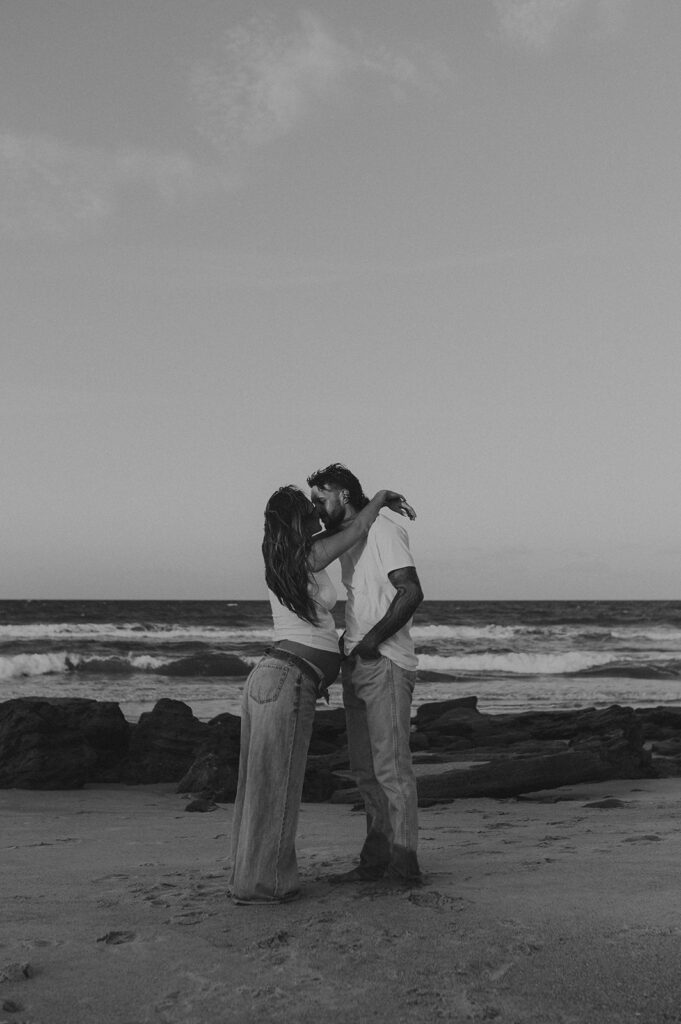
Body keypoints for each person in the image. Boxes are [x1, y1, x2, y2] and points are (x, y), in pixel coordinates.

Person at [230, 483, 415, 905]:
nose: (316, 514)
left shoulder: (283, 555)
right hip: (287, 679)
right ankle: (269, 884)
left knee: (257, 786)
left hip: (276, 676)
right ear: (295, 521)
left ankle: (248, 880)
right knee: (278, 789)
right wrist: (381, 496)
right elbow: (359, 526)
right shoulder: (307, 556)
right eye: (308, 510)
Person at [307, 463, 424, 886]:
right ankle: (376, 861)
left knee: (392, 770)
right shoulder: (351, 537)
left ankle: (404, 865)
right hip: (357, 663)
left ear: (341, 493)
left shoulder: (385, 532)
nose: (316, 509)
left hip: (386, 662)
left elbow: (411, 591)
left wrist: (372, 641)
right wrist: (348, 648)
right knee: (364, 770)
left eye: (321, 499)